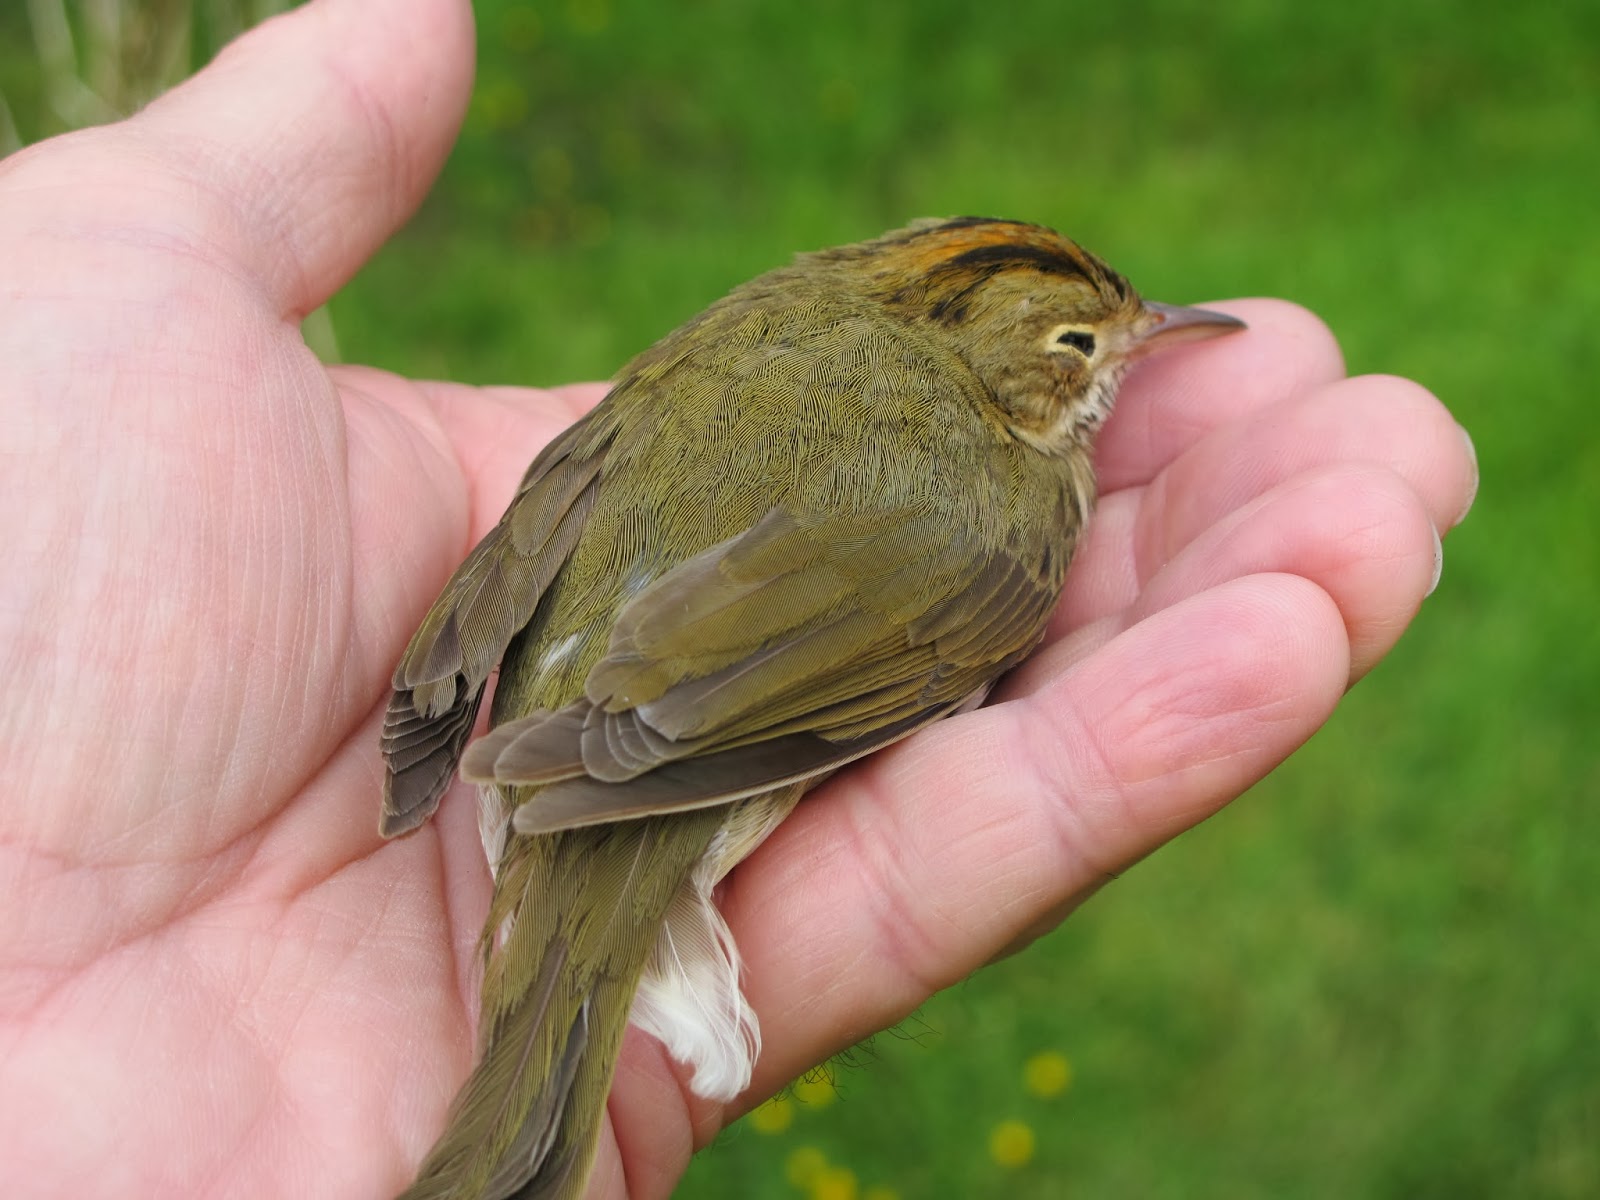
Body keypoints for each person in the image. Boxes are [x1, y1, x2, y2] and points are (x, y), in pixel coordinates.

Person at [0, 0, 1477, 1195]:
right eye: (1089, 347)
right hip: (682, 705)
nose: (1116, 361)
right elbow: (853, 654)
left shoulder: (770, 322)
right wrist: (628, 744)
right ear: (1015, 378)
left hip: (544, 642)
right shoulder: (1018, 511)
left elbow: (581, 477)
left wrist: (489, 689)